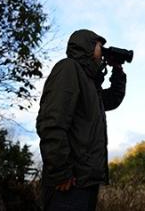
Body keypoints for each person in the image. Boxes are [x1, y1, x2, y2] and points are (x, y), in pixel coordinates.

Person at [36, 29, 127, 211]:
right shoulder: (69, 68)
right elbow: (51, 123)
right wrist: (61, 172)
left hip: (86, 181)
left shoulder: (91, 85)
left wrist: (117, 70)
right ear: (88, 46)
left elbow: (113, 99)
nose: (102, 50)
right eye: (100, 45)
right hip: (69, 183)